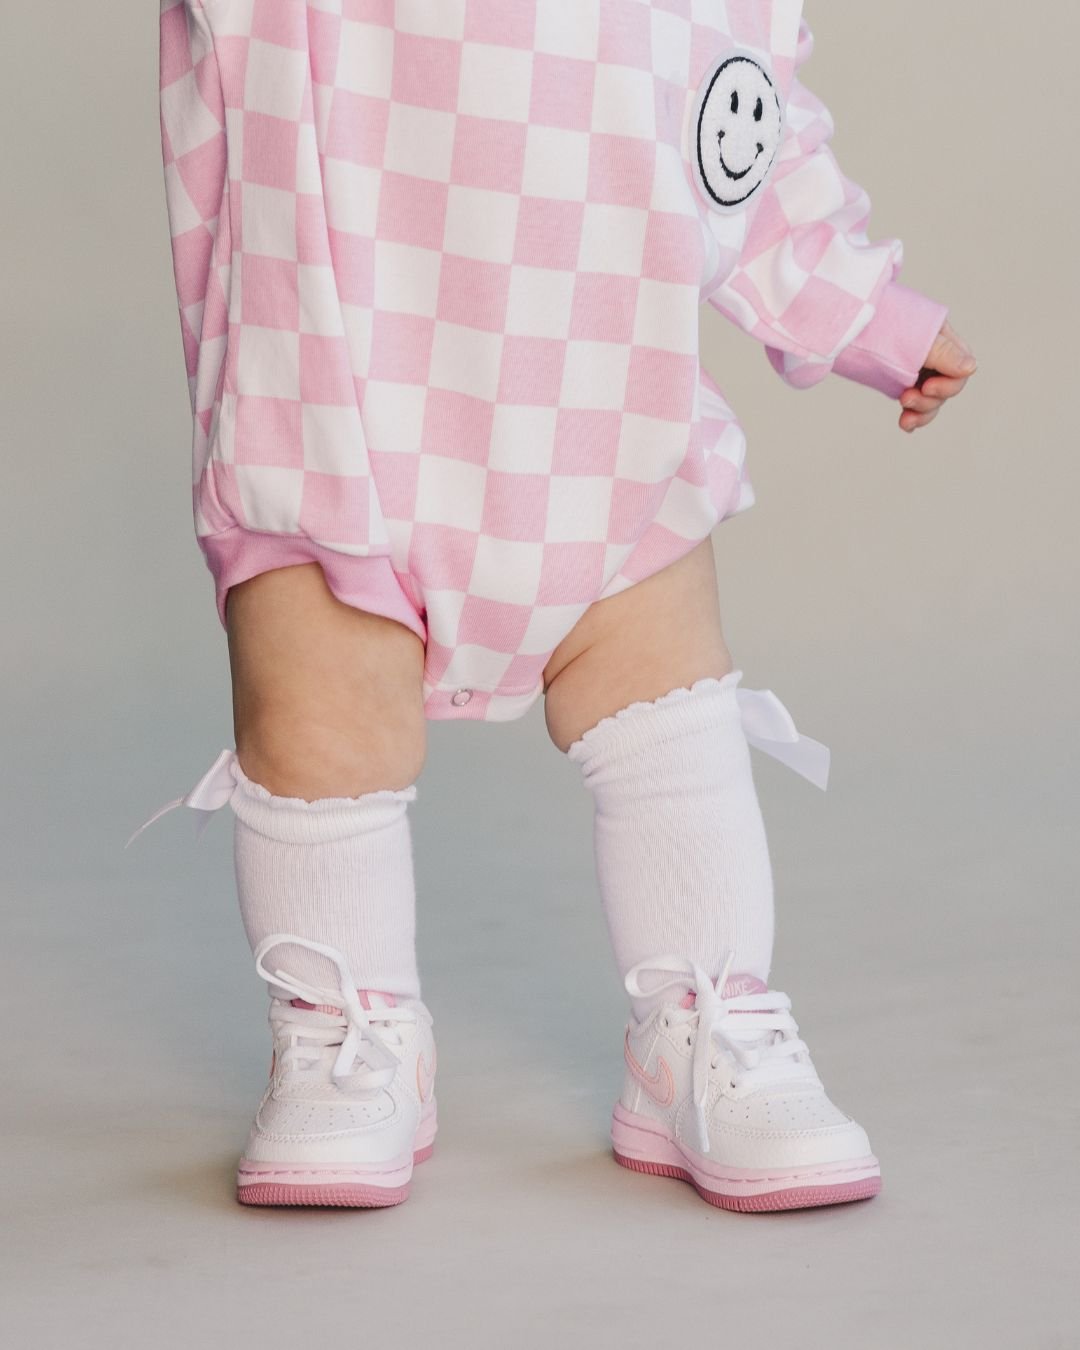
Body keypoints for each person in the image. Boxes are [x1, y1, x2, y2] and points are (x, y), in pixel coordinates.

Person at [135, 0, 976, 1212]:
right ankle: (349, 1026)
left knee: (662, 696)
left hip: (595, 388)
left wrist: (854, 304)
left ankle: (702, 1016)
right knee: (318, 712)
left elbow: (739, 112)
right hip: (331, 380)